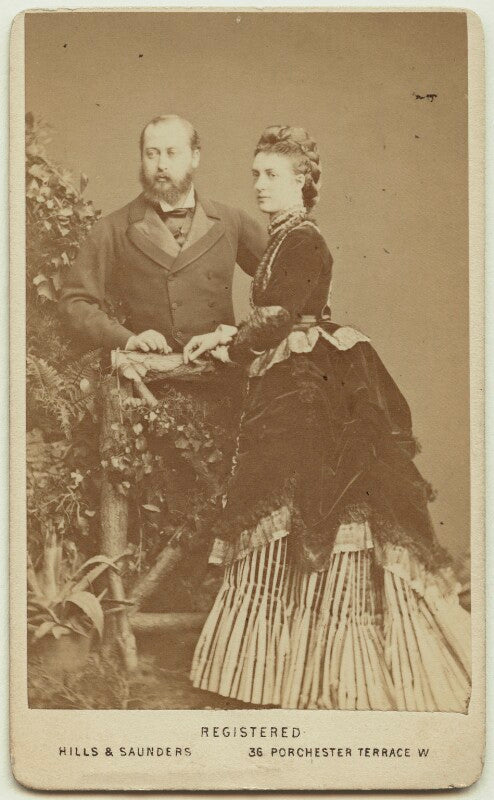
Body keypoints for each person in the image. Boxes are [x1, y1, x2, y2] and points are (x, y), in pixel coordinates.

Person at [184, 125, 471, 712]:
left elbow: (279, 318)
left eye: (272, 175)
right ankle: (275, 674)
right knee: (291, 507)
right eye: (256, 174)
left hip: (308, 390)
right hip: (293, 378)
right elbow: (278, 314)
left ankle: (327, 673)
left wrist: (231, 348)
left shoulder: (304, 240)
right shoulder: (285, 238)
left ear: (302, 183)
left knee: (308, 503)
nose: (260, 185)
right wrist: (228, 334)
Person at [59, 114, 266, 356]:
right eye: (152, 154)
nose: (161, 165)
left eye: (172, 153)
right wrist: (128, 339)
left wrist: (239, 335)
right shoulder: (112, 228)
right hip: (148, 371)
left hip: (222, 371)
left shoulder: (232, 221)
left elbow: (287, 282)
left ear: (195, 157)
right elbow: (74, 303)